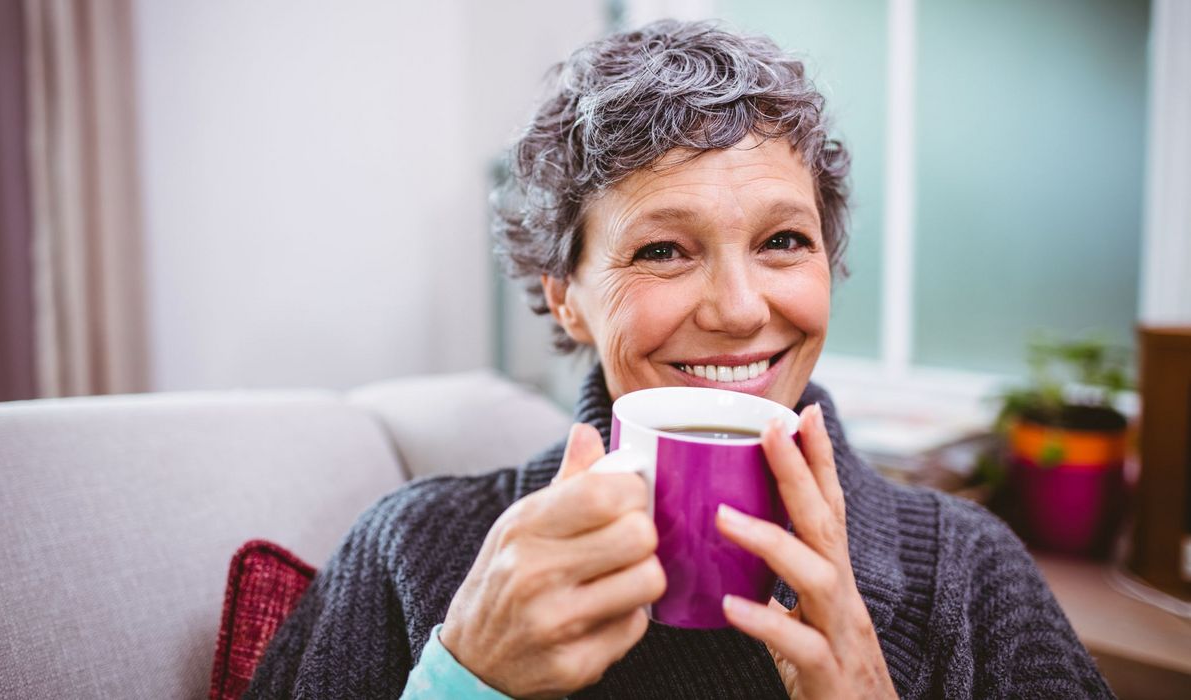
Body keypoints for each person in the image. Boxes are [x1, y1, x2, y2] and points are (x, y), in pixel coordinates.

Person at [246, 20, 1113, 699]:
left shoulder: (971, 571)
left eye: (782, 240)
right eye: (663, 250)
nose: (740, 310)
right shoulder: (417, 551)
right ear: (564, 294)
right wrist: (465, 680)